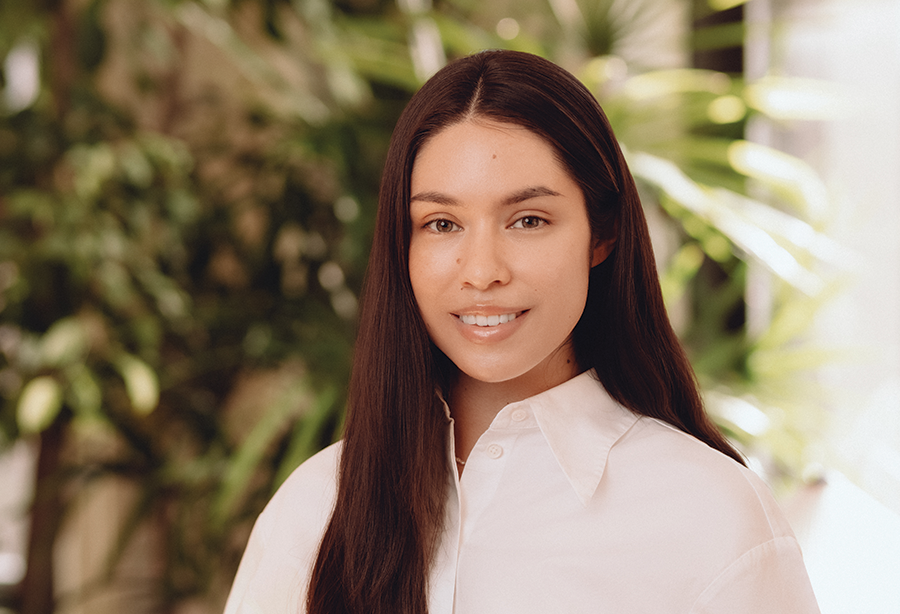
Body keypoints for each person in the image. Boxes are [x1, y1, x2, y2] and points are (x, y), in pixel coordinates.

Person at [223, 49, 820, 614]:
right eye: (441, 223)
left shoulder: (710, 517)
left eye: (528, 219)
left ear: (602, 234)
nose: (482, 272)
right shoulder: (314, 509)